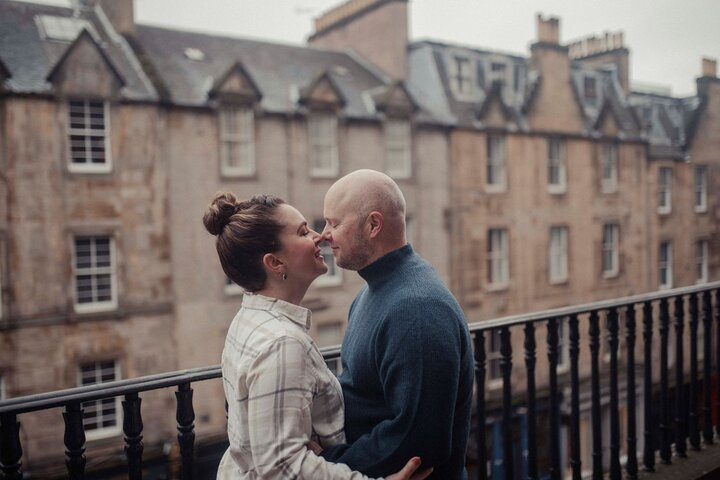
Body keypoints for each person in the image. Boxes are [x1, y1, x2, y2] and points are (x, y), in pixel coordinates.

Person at [203, 192, 432, 480]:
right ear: (274, 263)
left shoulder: (248, 319)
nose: (319, 236)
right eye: (302, 232)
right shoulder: (282, 344)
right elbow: (281, 467)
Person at [318, 170, 474, 479]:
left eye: (334, 223)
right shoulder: (370, 294)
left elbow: (418, 440)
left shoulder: (416, 309)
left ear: (373, 225)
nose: (324, 234)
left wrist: (327, 463)